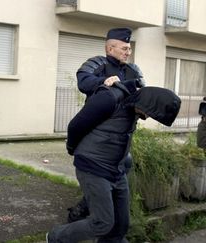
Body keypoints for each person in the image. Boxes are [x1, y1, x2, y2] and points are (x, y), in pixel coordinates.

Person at [47, 84, 181, 243]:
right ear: (147, 103)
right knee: (102, 223)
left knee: (121, 225)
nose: (148, 116)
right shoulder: (110, 99)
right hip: (92, 168)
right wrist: (72, 149)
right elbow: (75, 126)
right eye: (151, 113)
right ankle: (55, 237)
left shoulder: (134, 109)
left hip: (116, 169)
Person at [67, 27, 146, 223]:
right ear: (110, 48)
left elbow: (144, 93)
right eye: (124, 48)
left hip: (121, 133)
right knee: (96, 173)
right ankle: (86, 210)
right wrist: (104, 81)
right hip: (96, 129)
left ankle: (100, 211)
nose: (128, 52)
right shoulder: (97, 63)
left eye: (129, 48)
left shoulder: (133, 70)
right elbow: (83, 81)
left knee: (123, 164)